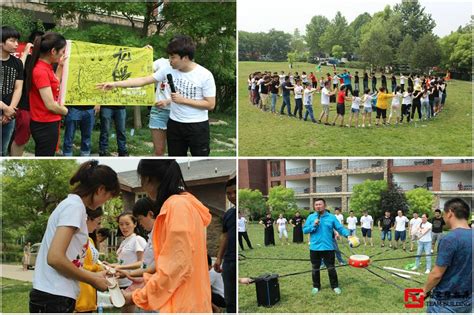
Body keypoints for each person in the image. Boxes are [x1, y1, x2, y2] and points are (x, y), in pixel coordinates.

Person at [98, 35, 216, 156]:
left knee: (200, 158)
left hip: (197, 126)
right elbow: (143, 80)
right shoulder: (168, 70)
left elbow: (210, 104)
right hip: (174, 124)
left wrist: (183, 100)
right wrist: (115, 84)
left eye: (173, 57)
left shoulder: (204, 75)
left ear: (185, 58)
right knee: (174, 157)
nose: (169, 60)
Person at [29, 160, 120, 312]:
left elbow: (68, 259)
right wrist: (92, 279)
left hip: (54, 296)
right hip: (54, 296)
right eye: (108, 197)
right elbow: (55, 258)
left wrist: (96, 275)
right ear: (100, 189)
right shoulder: (74, 207)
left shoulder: (73, 205)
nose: (105, 202)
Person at [122, 159, 212, 312]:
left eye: (141, 181)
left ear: (148, 179)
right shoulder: (186, 204)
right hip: (192, 302)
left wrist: (135, 297)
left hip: (180, 305)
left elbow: (176, 266)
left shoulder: (176, 206)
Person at [422, 198, 472, 313]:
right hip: (468, 300)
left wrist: (424, 291)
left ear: (450, 213)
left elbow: (436, 274)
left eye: (444, 214)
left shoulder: (449, 239)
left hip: (444, 303)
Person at [26, 32, 68, 156]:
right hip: (44, 123)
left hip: (49, 122)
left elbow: (55, 84)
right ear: (53, 51)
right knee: (45, 155)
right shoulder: (40, 71)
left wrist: (60, 67)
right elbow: (50, 105)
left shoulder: (46, 67)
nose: (62, 54)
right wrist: (66, 111)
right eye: (62, 51)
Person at [303, 198, 353, 296]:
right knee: (315, 268)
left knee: (331, 268)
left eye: (320, 204)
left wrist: (348, 235)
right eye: (316, 204)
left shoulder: (331, 217)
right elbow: (304, 230)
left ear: (324, 206)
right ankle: (316, 286)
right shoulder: (311, 217)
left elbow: (340, 228)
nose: (318, 206)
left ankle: (335, 286)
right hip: (315, 248)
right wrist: (313, 225)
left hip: (328, 248)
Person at [11, 31, 44, 156]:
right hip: (24, 105)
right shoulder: (27, 58)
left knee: (25, 137)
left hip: (38, 107)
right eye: (37, 42)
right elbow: (18, 69)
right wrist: (25, 51)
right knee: (21, 137)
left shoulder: (45, 62)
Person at [105, 212, 146, 313]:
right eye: (121, 224)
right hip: (122, 282)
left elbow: (142, 263)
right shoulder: (125, 241)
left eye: (127, 224)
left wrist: (120, 268)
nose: (124, 227)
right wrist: (111, 265)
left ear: (135, 224)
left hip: (133, 283)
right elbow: (122, 263)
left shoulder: (138, 240)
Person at [75, 207, 104, 313]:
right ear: (87, 219)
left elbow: (91, 262)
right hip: (81, 292)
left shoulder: (89, 239)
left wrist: (101, 266)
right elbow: (75, 266)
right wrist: (98, 268)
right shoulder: (76, 239)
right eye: (98, 222)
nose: (99, 226)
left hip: (90, 290)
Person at [213, 176, 236, 313]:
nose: (232, 196)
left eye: (235, 192)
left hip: (237, 260)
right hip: (228, 262)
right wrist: (219, 258)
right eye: (228, 193)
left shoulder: (240, 213)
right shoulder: (228, 214)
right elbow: (225, 236)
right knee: (230, 301)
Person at [1, 26, 24, 156]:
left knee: (3, 151)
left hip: (9, 115)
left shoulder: (17, 63)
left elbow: (18, 88)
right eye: (12, 40)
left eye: (17, 41)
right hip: (7, 110)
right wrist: (5, 108)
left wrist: (10, 110)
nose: (16, 44)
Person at [149, 57, 172, 155]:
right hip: (158, 111)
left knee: (176, 150)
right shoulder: (161, 62)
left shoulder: (186, 66)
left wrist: (168, 101)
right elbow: (143, 70)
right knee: (159, 151)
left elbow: (188, 94)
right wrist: (145, 54)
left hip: (177, 111)